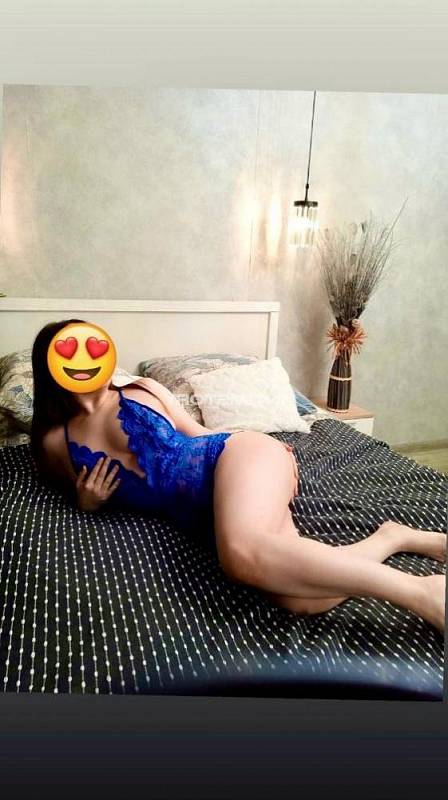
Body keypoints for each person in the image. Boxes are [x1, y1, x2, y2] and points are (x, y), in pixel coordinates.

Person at [31, 319, 446, 635]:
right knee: (301, 600)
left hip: (234, 458)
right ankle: (391, 537)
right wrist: (86, 502)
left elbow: (201, 435)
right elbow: (75, 494)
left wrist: (270, 452)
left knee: (241, 555)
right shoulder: (54, 443)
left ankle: (422, 592)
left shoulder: (142, 389)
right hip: (209, 511)